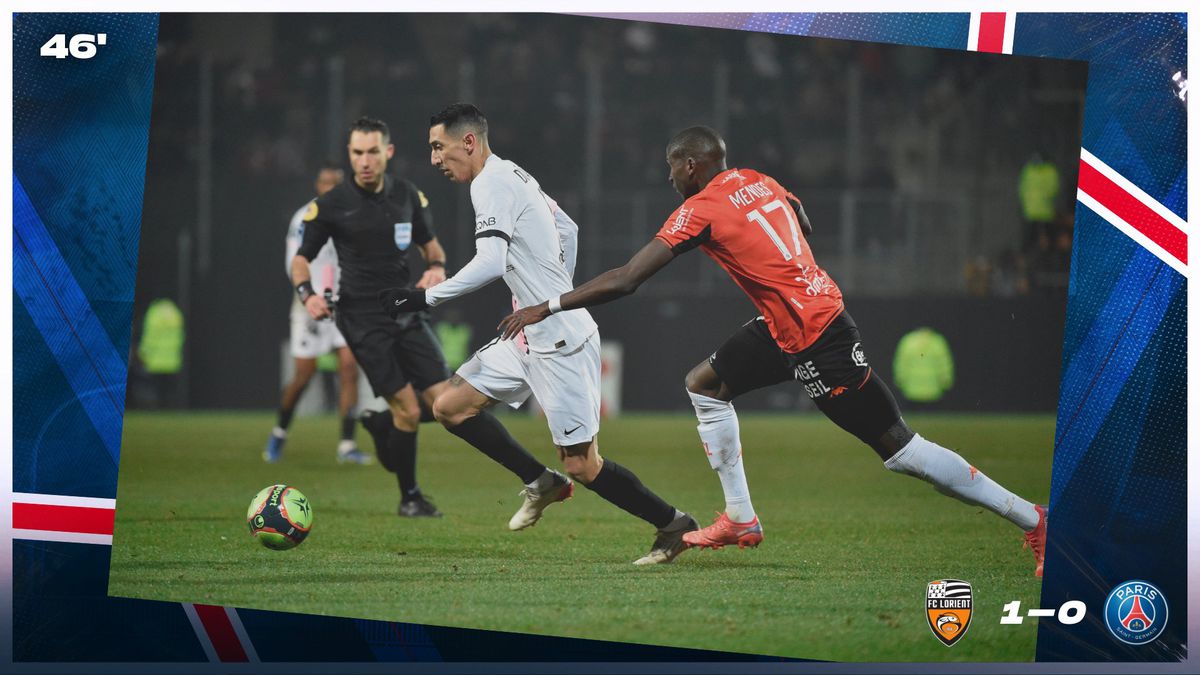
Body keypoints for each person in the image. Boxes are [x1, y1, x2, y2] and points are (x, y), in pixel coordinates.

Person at [500, 126, 1049, 577]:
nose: (669, 179)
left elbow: (626, 278)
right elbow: (801, 219)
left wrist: (547, 305)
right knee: (705, 385)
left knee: (901, 449)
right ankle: (740, 517)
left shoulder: (700, 208)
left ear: (690, 165)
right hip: (788, 323)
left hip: (820, 337)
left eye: (671, 168)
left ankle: (1033, 519)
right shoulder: (757, 179)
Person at [380, 103, 698, 564]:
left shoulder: (490, 183)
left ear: (468, 142)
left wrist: (424, 298)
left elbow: (490, 263)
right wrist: (552, 291)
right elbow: (567, 227)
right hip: (527, 335)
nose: (434, 159)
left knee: (583, 465)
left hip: (561, 344)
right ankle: (541, 481)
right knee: (449, 406)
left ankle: (674, 524)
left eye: (437, 147)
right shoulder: (514, 174)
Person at [292, 117, 450, 517]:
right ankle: (410, 497)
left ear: (388, 152)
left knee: (448, 405)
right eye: (358, 153)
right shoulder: (331, 205)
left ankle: (382, 424)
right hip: (361, 318)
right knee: (409, 411)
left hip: (405, 310)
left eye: (373, 152)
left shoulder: (407, 195)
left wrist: (436, 269)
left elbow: (432, 249)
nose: (365, 161)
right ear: (350, 154)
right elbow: (301, 260)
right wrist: (307, 294)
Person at [265, 163, 372, 465]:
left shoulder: (356, 215)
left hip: (343, 303)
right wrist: (307, 295)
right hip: (310, 303)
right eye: (326, 182)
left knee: (349, 368)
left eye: (336, 182)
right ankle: (279, 433)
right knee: (304, 374)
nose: (331, 187)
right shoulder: (304, 217)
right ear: (317, 185)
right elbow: (294, 263)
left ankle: (347, 445)